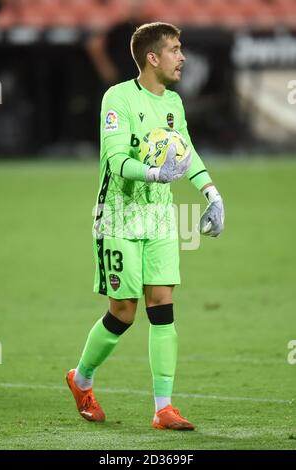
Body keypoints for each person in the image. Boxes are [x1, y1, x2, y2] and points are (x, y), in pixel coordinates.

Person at [66, 22, 224, 431]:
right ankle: (81, 379)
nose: (182, 56)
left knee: (162, 305)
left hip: (159, 218)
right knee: (123, 312)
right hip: (117, 216)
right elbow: (116, 161)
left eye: (181, 49)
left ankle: (164, 408)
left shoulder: (173, 103)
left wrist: (211, 193)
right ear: (152, 58)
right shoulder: (116, 98)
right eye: (174, 49)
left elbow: (186, 153)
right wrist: (155, 174)